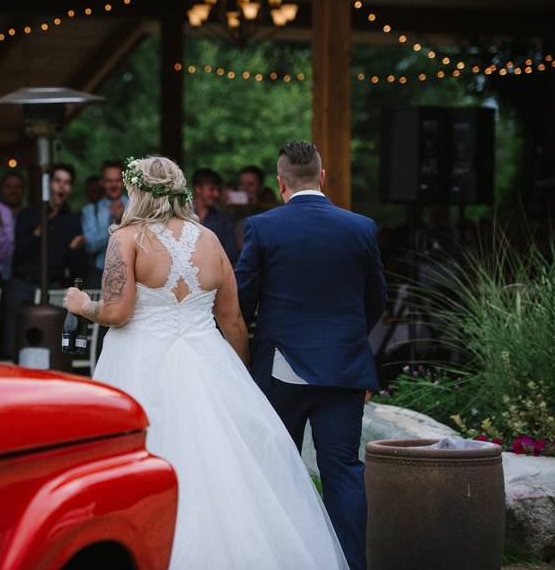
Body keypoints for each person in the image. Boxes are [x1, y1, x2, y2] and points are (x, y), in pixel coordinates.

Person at [64, 156, 348, 570]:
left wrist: (81, 304)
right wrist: (241, 380)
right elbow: (232, 320)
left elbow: (117, 311)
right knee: (229, 470)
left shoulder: (127, 238)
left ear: (137, 191)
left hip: (141, 362)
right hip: (209, 360)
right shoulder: (210, 240)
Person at [235, 142, 387, 570]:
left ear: (280, 182)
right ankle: (352, 564)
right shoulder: (360, 227)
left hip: (281, 368)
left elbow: (243, 298)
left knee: (280, 470)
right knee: (343, 470)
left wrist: (245, 350)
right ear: (322, 177)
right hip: (344, 369)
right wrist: (347, 337)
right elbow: (377, 299)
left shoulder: (263, 227)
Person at [1, 164, 87, 358]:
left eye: (66, 183)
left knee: (53, 337)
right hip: (22, 283)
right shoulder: (29, 214)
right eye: (58, 181)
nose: (62, 187)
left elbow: (75, 265)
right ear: (49, 185)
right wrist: (38, 233)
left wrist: (75, 249)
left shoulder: (72, 220)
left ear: (70, 189)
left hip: (53, 284)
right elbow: (19, 253)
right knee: (13, 336)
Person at [81, 160, 129, 288]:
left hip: (131, 273)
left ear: (124, 181)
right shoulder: (90, 210)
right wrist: (114, 222)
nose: (113, 185)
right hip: (100, 274)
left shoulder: (135, 207)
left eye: (117, 180)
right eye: (109, 181)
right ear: (102, 183)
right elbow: (91, 246)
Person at [192, 168, 240, 266]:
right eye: (212, 189)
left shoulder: (224, 220)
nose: (216, 194)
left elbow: (231, 255)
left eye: (218, 190)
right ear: (197, 188)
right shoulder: (182, 216)